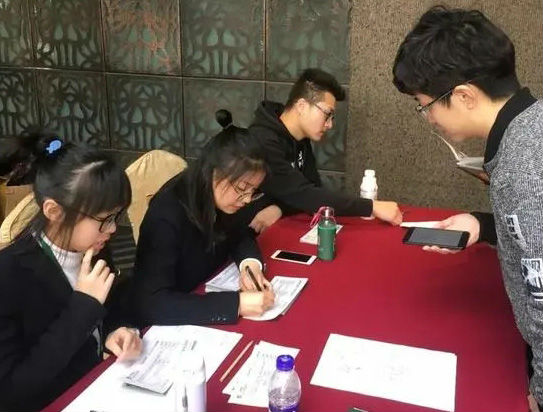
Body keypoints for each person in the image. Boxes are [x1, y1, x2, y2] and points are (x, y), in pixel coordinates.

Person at [393, 5, 543, 408]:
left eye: (425, 104)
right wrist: (482, 225)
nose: (428, 118)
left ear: (464, 96)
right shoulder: (528, 129)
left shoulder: (524, 165)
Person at [0, 133, 142, 411]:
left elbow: (112, 307)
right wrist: (83, 307)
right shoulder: (9, 275)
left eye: (117, 216)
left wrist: (116, 330)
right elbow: (10, 392)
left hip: (96, 387)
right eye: (105, 219)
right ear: (54, 211)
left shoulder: (93, 246)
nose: (113, 229)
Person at [132, 110, 275, 327]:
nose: (247, 199)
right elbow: (152, 303)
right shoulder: (167, 214)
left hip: (205, 287)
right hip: (173, 317)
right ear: (213, 172)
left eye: (253, 191)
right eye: (242, 188)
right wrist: (236, 304)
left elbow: (240, 234)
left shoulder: (226, 197)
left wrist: (250, 265)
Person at [240, 68, 402, 233]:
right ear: (302, 106)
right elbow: (307, 195)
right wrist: (372, 207)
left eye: (332, 117)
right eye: (327, 114)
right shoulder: (263, 141)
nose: (329, 124)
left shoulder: (300, 138)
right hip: (244, 234)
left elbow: (311, 190)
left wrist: (279, 208)